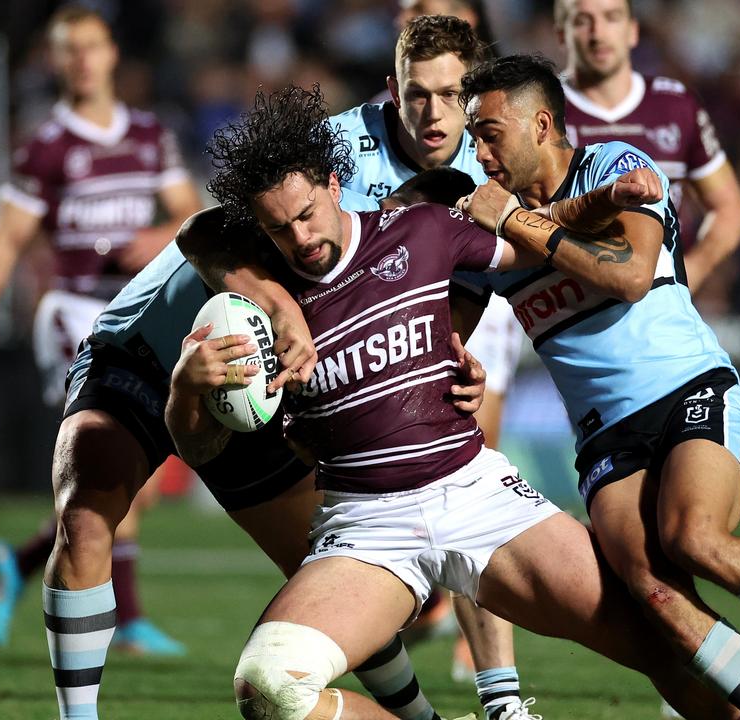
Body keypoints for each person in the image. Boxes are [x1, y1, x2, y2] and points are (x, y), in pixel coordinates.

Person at [199, 83, 740, 720]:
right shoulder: (248, 313)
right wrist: (274, 306)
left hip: (475, 493)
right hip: (364, 526)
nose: (300, 237)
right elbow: (197, 233)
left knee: (665, 637)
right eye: (278, 227)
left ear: (333, 183)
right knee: (268, 685)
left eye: (307, 213)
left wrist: (606, 197)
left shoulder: (423, 230)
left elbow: (532, 232)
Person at [453, 54, 740, 720]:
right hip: (605, 436)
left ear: (542, 124)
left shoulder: (614, 165)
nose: (480, 151)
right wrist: (454, 357)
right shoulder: (487, 228)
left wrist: (519, 223)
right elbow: (449, 328)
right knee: (656, 592)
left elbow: (630, 275)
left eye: (490, 132)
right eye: (473, 135)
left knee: (693, 537)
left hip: (686, 389)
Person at [38, 178, 479, 720]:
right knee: (84, 519)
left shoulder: (377, 289)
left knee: (325, 575)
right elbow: (202, 229)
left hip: (247, 400)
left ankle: (423, 719)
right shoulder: (305, 221)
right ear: (384, 207)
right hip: (136, 357)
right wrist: (274, 301)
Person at [0, 6, 203, 655]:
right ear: (56, 62)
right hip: (72, 312)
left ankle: (23, 557)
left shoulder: (149, 135)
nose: (82, 60)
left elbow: (190, 215)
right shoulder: (46, 146)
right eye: (69, 51)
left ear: (112, 52)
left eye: (91, 47)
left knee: (131, 468)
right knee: (111, 453)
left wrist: (159, 235)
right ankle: (125, 616)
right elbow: (5, 239)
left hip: (136, 310)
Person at [330, 15, 532, 716]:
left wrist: (448, 353)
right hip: (341, 354)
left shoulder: (491, 164)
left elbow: (476, 284)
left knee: (471, 478)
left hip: (435, 329)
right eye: (418, 95)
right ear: (393, 91)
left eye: (451, 95)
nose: (434, 113)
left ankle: (500, 697)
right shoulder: (341, 149)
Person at [555, 0, 740, 291]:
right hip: (572, 303)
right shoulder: (543, 110)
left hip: (659, 310)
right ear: (561, 33)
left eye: (612, 17)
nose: (598, 33)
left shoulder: (676, 106)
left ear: (633, 31)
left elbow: (729, 208)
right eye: (582, 20)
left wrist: (691, 271)